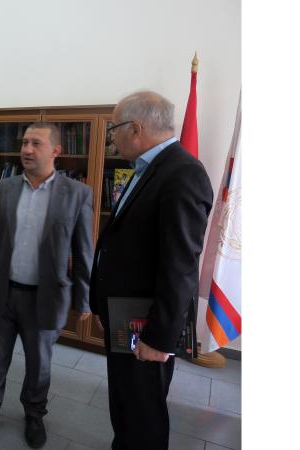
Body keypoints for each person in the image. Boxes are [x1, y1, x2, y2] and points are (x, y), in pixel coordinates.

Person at [90, 91, 213, 450]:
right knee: (125, 402)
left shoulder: (182, 173)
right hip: (125, 315)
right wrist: (102, 305)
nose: (111, 138)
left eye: (113, 129)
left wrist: (159, 338)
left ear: (136, 128)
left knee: (144, 413)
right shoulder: (147, 169)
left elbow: (180, 267)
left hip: (146, 326)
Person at [0, 122, 94, 448]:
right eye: (24, 143)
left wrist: (84, 299)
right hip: (3, 292)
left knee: (39, 364)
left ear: (56, 151)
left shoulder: (78, 194)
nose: (27, 150)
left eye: (36, 143)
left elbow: (84, 251)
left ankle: (34, 415)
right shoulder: (0, 189)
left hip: (45, 297)